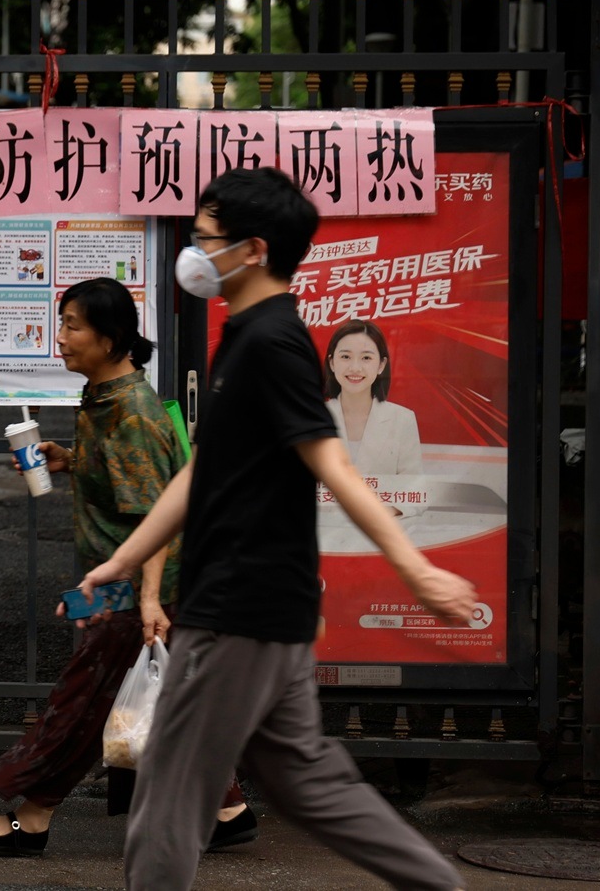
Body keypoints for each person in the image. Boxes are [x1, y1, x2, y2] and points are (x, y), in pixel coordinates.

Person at [78, 168, 479, 891]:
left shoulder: (273, 344)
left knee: (168, 791)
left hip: (240, 608)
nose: (194, 255)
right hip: (264, 607)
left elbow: (332, 463)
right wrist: (126, 558)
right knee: (308, 784)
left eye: (205, 240)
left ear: (253, 249)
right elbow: (203, 470)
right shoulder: (245, 336)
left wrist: (414, 568)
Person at [0, 277, 255, 858]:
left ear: (112, 338)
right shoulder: (106, 397)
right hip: (127, 583)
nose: (60, 338)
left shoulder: (131, 415)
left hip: (137, 590)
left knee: (86, 701)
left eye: (72, 326)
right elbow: (129, 484)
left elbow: (157, 515)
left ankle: (32, 818)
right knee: (154, 700)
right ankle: (226, 808)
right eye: (61, 323)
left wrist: (148, 604)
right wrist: (72, 461)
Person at [324, 319, 424, 516]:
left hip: (379, 533)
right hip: (321, 534)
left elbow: (416, 489)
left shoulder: (402, 419)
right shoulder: (310, 417)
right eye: (345, 356)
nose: (355, 368)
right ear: (332, 362)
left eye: (366, 358)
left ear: (381, 365)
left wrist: (385, 512)